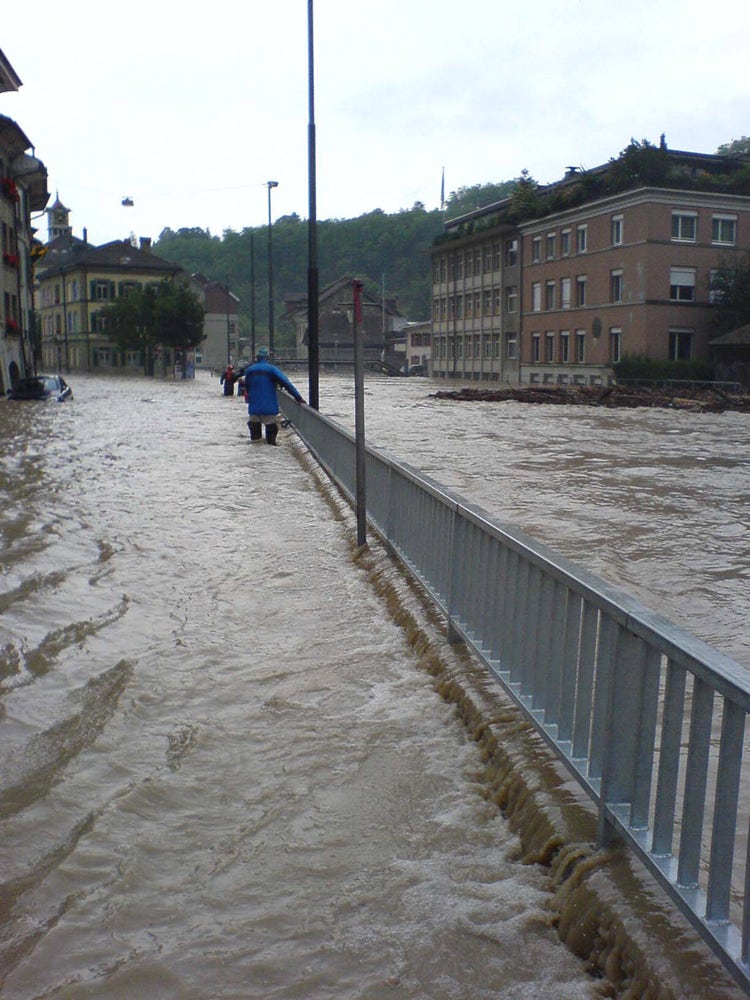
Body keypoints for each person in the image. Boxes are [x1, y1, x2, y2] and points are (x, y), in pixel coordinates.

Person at [244, 347, 304, 445]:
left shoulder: (250, 370)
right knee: (271, 440)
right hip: (269, 407)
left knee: (255, 441)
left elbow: (247, 386)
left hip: (254, 408)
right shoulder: (272, 369)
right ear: (267, 358)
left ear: (257, 358)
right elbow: (287, 384)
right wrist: (298, 398)